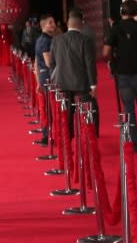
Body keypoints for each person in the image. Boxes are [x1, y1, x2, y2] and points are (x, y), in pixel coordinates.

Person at [103, 0, 137, 147]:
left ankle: (132, 142)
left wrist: (110, 62)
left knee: (128, 108)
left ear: (122, 12)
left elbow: (105, 51)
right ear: (136, 12)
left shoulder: (115, 28)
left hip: (123, 74)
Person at [49, 8, 98, 138]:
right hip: (82, 84)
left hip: (62, 83)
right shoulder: (85, 40)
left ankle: (68, 140)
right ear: (80, 24)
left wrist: (55, 79)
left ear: (68, 23)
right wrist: (93, 84)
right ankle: (88, 139)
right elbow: (90, 64)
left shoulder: (56, 40)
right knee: (87, 114)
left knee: (66, 115)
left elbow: (51, 64)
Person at [34, 14, 55, 145]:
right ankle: (47, 136)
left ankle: (46, 135)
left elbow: (36, 62)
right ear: (43, 25)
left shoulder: (40, 39)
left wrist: (37, 81)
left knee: (46, 108)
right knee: (49, 108)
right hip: (48, 76)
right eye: (50, 23)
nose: (53, 25)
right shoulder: (45, 40)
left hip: (43, 76)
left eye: (53, 22)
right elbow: (48, 62)